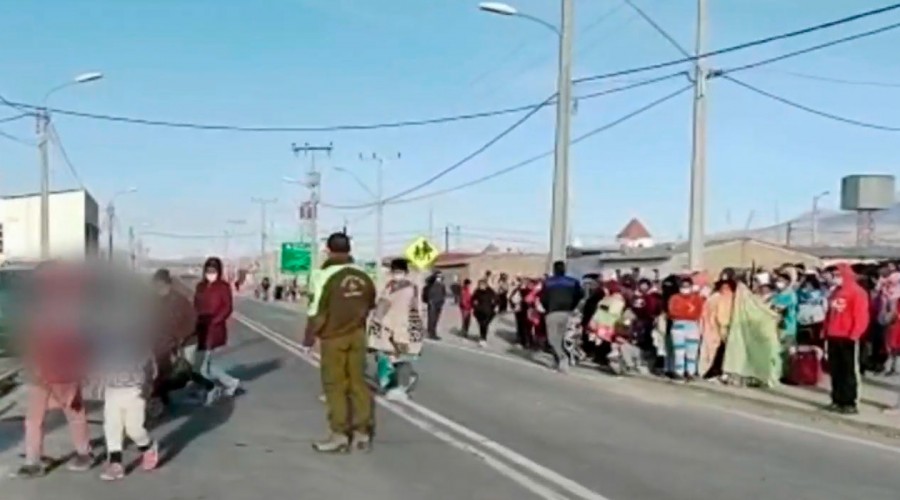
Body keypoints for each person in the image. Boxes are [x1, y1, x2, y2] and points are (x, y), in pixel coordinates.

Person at [16, 262, 93, 478]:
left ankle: (39, 460)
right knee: (46, 416)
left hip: (57, 372)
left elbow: (73, 342)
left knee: (64, 413)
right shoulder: (66, 306)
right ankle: (37, 459)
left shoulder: (60, 308)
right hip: (51, 371)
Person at [302, 232, 377, 453]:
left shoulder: (323, 276)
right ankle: (362, 433)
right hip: (358, 335)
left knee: (335, 385)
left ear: (328, 250)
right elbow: (370, 303)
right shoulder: (363, 275)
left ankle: (339, 434)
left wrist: (308, 339)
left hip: (334, 337)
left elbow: (316, 311)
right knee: (358, 383)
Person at [93, 272, 160, 481]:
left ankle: (148, 447)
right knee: (111, 426)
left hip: (133, 388)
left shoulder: (138, 326)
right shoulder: (103, 325)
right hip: (112, 386)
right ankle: (115, 463)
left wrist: (149, 381)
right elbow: (100, 353)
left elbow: (149, 357)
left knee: (134, 429)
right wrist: (97, 377)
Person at [368, 259, 424, 401]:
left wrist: (400, 332)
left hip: (400, 328)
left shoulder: (408, 289)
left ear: (405, 273)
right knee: (386, 357)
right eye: (394, 272)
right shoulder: (390, 286)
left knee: (398, 358)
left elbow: (407, 312)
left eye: (399, 272)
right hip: (386, 328)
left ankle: (400, 387)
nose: (396, 274)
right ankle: (395, 386)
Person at [149, 269, 198, 417]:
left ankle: (160, 399)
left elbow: (192, 322)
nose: (158, 289)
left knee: (174, 374)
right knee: (158, 373)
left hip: (178, 342)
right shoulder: (152, 300)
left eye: (160, 285)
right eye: (156, 285)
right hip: (160, 343)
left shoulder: (180, 301)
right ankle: (161, 399)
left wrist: (180, 338)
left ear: (167, 284)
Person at [823, 263, 870, 414]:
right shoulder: (835, 292)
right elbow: (829, 314)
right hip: (833, 335)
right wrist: (825, 332)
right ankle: (837, 399)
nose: (835, 279)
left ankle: (850, 402)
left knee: (848, 371)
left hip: (848, 337)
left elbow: (861, 316)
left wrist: (855, 334)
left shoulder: (857, 292)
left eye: (838, 275)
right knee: (835, 370)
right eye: (834, 276)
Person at [194, 257, 240, 405]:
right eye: (208, 271)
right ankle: (231, 382)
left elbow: (227, 307)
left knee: (202, 365)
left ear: (218, 271)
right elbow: (195, 305)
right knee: (205, 364)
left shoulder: (223, 287)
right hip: (200, 328)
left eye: (213, 271)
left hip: (213, 329)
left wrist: (214, 321)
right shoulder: (200, 286)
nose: (210, 273)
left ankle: (212, 388)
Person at [539, 261, 584, 373]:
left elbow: (542, 297)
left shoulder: (548, 282)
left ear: (554, 270)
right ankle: (559, 361)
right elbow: (580, 295)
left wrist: (547, 307)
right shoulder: (573, 282)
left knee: (553, 339)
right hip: (567, 313)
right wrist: (572, 306)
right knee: (562, 338)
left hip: (553, 312)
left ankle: (563, 359)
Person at [667, 276, 705, 381]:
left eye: (687, 286)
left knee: (692, 352)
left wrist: (687, 314)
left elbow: (698, 312)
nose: (685, 288)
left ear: (691, 286)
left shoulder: (697, 298)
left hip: (692, 326)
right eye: (683, 286)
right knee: (679, 351)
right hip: (678, 326)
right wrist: (685, 314)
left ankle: (690, 372)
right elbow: (672, 312)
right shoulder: (674, 298)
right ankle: (679, 372)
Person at [471, 279, 498, 347]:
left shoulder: (490, 291)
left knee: (485, 324)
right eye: (479, 285)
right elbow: (472, 299)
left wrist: (494, 304)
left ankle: (483, 338)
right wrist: (474, 304)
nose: (481, 286)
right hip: (479, 311)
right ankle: (482, 338)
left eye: (482, 285)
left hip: (489, 312)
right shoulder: (477, 291)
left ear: (485, 285)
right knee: (481, 325)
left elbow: (497, 299)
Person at [422, 271, 446, 340]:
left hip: (439, 304)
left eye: (441, 276)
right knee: (432, 319)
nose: (439, 278)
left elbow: (444, 293)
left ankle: (433, 332)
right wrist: (434, 276)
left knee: (436, 319)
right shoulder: (431, 283)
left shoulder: (442, 285)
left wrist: (442, 301)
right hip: (432, 303)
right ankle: (431, 333)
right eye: (438, 276)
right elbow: (427, 280)